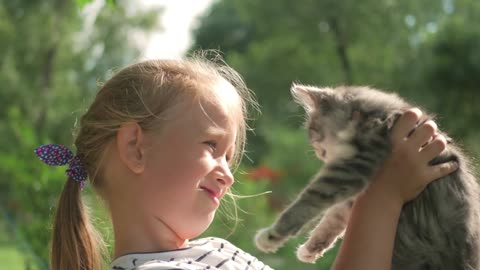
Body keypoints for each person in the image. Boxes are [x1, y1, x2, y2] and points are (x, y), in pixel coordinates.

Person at [35, 53, 457, 270]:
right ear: (136, 149)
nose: (226, 172)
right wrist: (381, 193)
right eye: (211, 146)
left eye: (230, 156)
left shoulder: (211, 252)